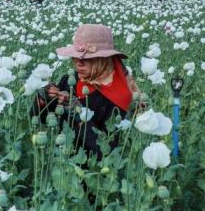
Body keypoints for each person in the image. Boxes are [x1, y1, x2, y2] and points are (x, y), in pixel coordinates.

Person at [33, 24, 137, 158]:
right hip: (61, 162)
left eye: (86, 59)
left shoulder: (119, 96)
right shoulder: (70, 80)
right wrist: (44, 99)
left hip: (92, 170)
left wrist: (79, 114)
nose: (78, 63)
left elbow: (106, 151)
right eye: (76, 57)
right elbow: (40, 120)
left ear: (104, 60)